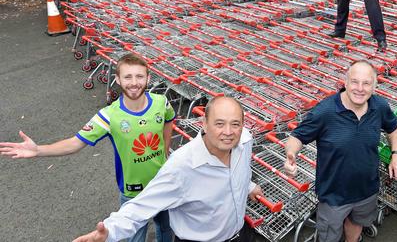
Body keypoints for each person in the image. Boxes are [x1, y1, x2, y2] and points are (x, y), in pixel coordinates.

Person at [0, 53, 175, 242]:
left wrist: (165, 152)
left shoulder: (160, 102)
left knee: (167, 228)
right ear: (117, 79)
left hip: (162, 182)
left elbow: (168, 121)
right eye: (127, 77)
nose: (134, 82)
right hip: (132, 191)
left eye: (140, 76)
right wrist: (38, 150)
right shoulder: (108, 116)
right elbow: (75, 143)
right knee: (135, 237)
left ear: (148, 78)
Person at [72, 96, 264, 242]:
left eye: (235, 124)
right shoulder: (181, 167)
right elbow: (142, 205)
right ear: (204, 124)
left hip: (240, 233)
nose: (229, 132)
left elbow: (237, 171)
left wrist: (248, 186)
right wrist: (109, 231)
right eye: (219, 124)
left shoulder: (244, 141)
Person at [283, 60, 397, 242]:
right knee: (329, 235)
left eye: (366, 83)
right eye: (354, 82)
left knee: (357, 223)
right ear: (346, 82)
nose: (360, 88)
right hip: (333, 193)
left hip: (367, 189)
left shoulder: (379, 106)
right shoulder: (325, 111)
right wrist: (291, 155)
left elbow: (394, 128)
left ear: (374, 86)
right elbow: (297, 137)